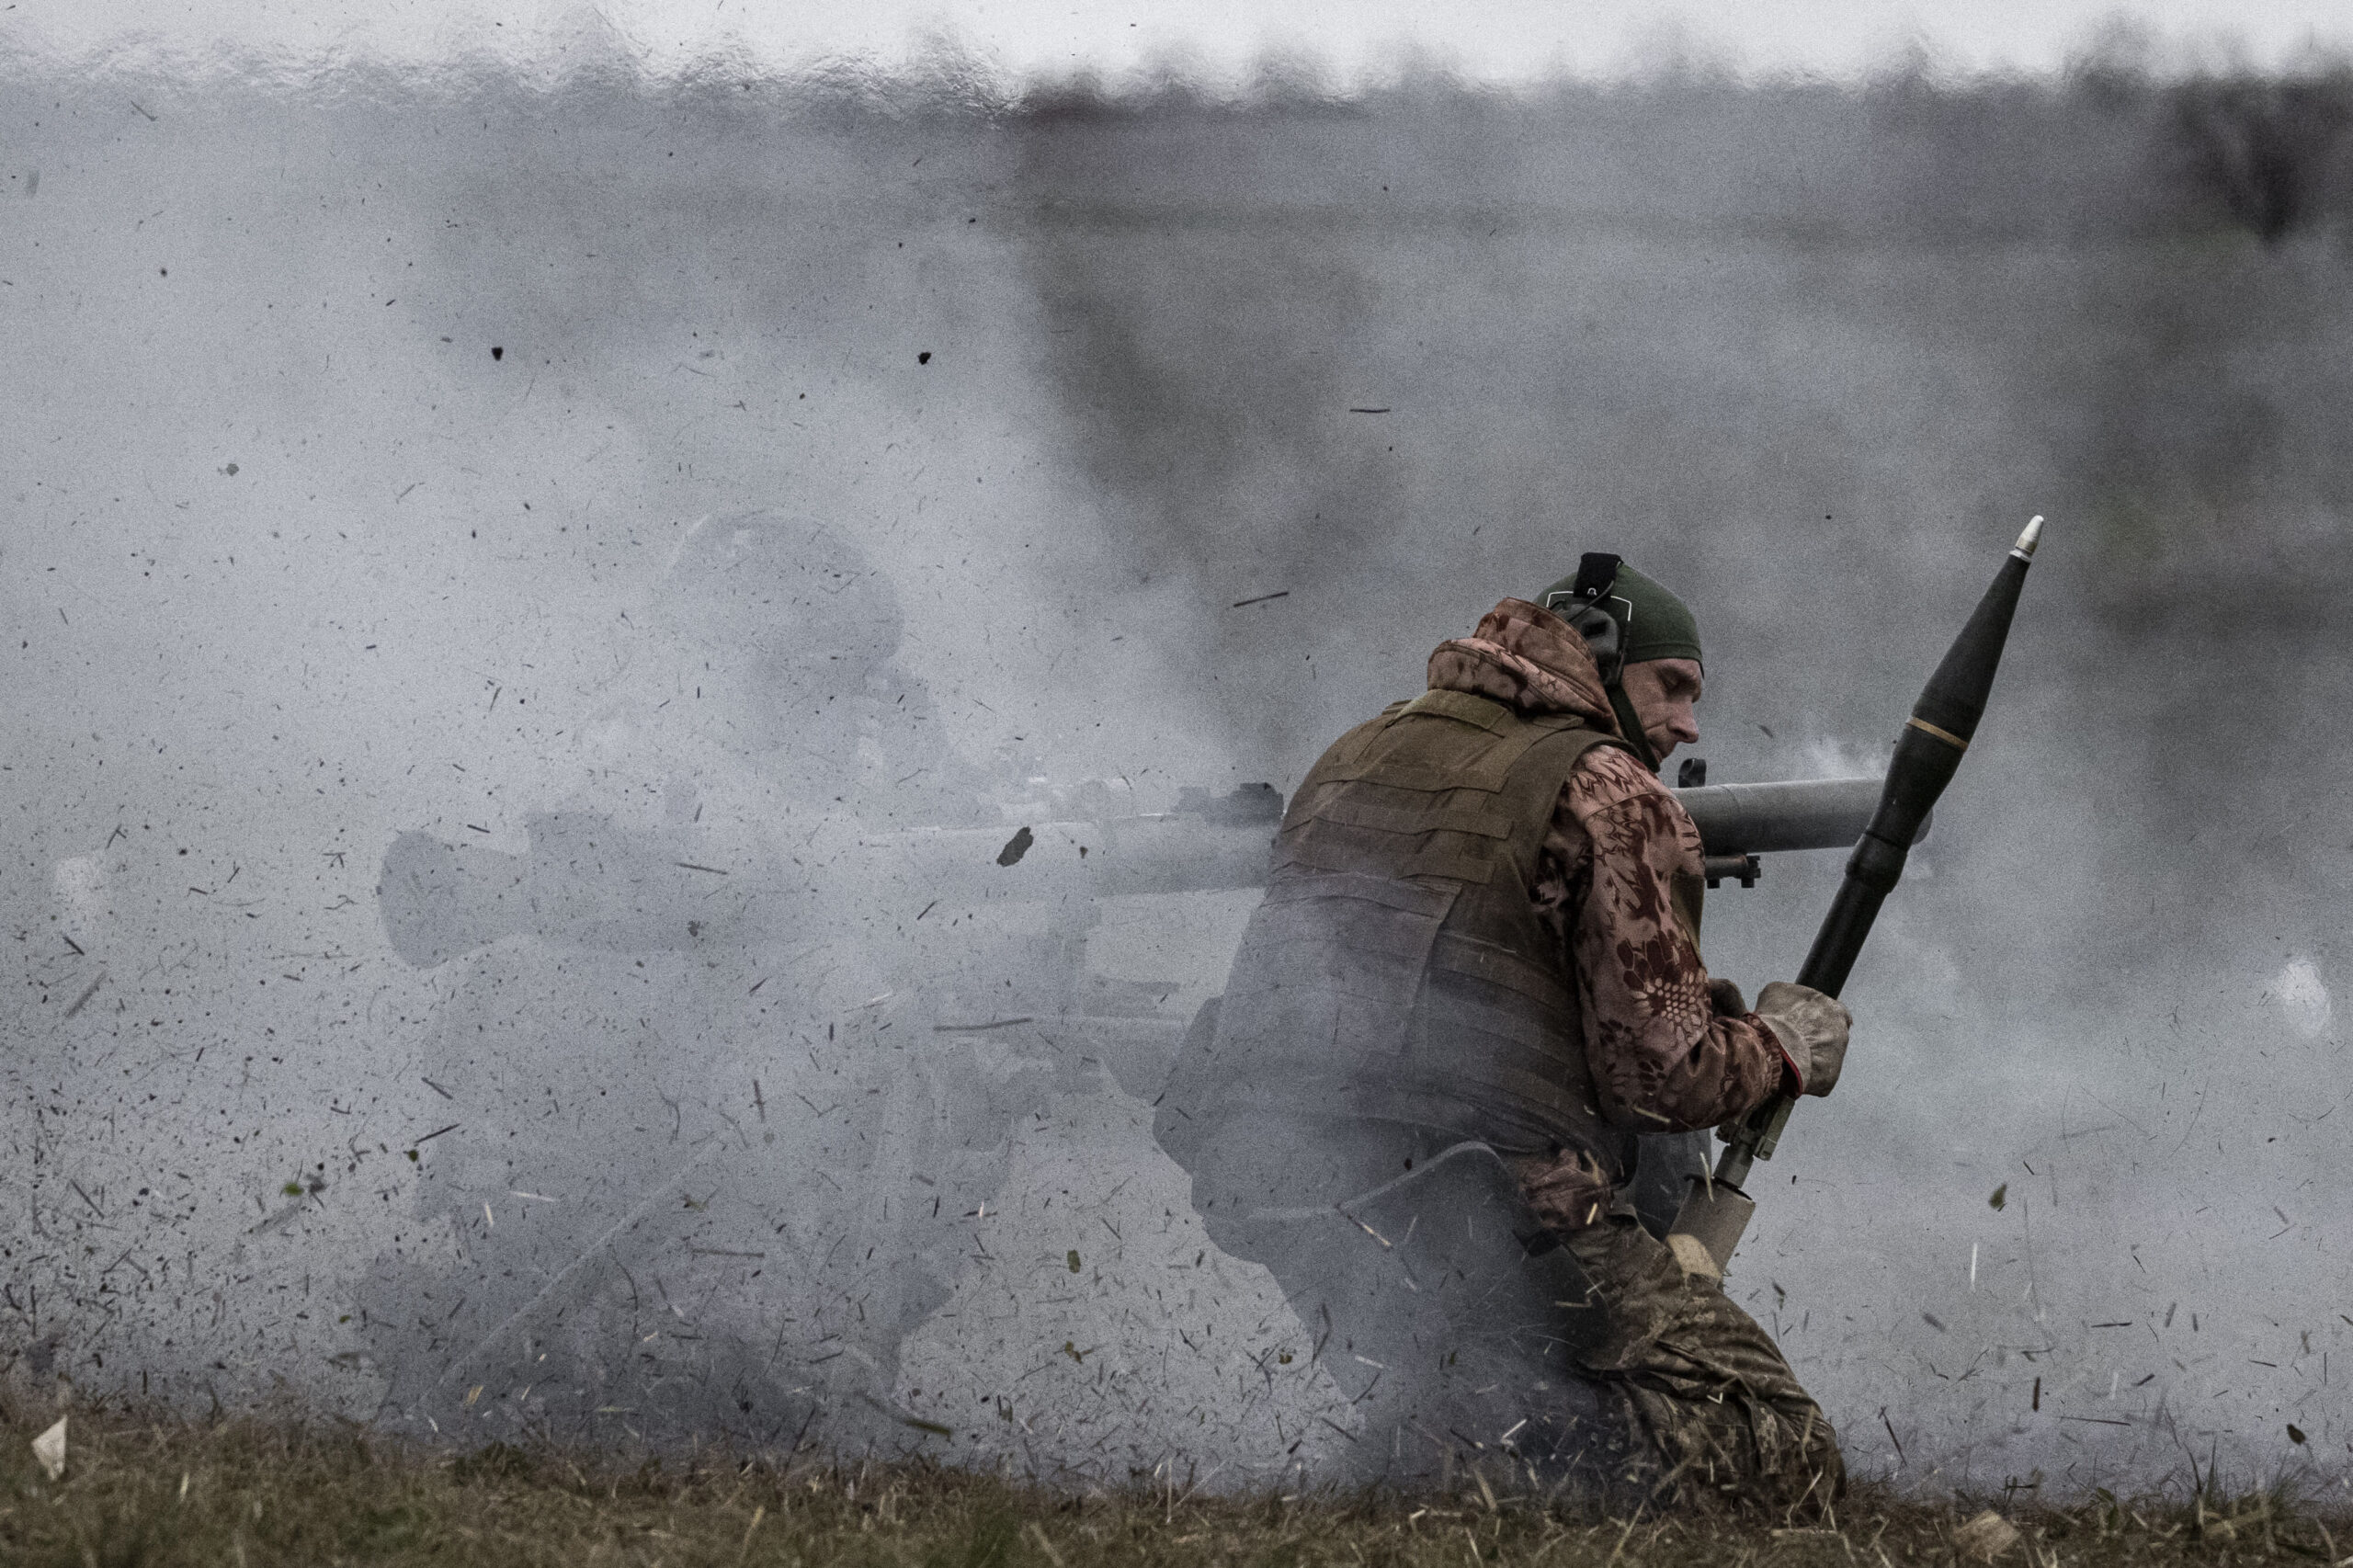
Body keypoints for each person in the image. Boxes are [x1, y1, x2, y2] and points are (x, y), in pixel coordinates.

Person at [1154, 555, 1850, 1508]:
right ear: (1601, 663)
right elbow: (1663, 1080)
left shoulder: (1356, 748)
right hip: (1489, 1201)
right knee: (1782, 1446)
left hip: (1294, 1189)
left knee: (1508, 1372)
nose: (1688, 722)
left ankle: (1452, 1415)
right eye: (1673, 686)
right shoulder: (1609, 789)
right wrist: (1780, 1045)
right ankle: (1467, 1447)